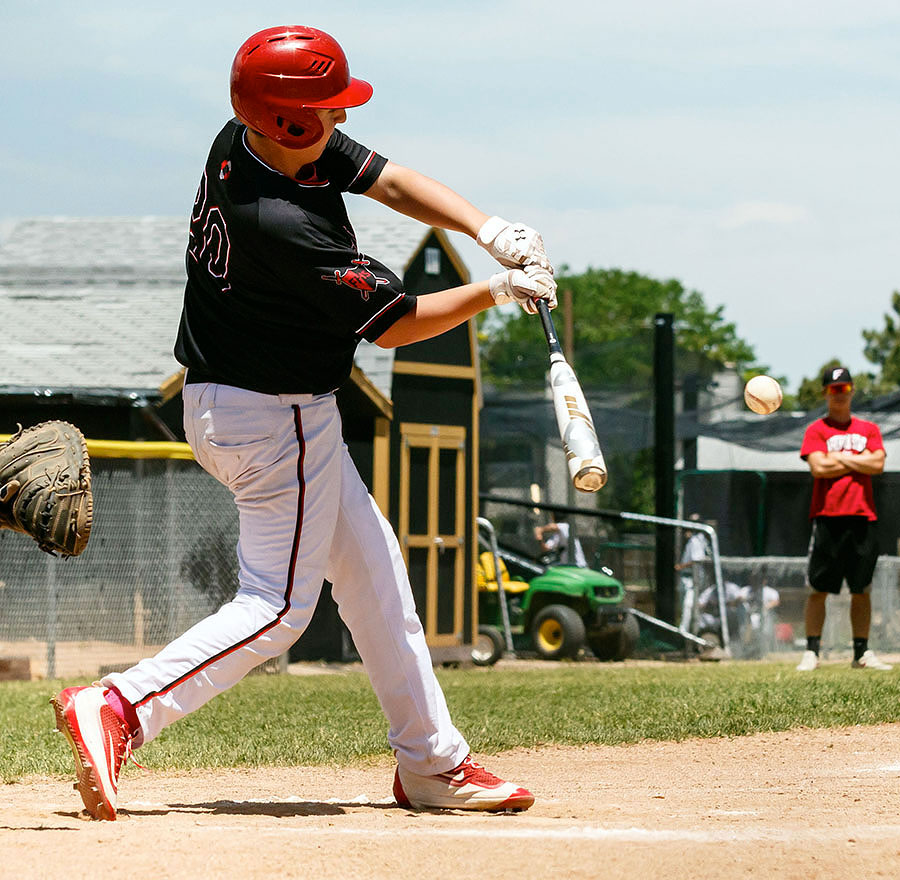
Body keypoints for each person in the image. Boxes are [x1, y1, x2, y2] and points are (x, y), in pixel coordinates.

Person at [51, 25, 558, 821]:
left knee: (374, 572)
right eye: (321, 110)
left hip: (240, 401)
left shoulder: (249, 138)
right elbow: (395, 323)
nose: (333, 121)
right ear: (285, 120)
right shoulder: (282, 222)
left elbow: (387, 180)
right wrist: (496, 292)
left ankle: (432, 763)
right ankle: (119, 707)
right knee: (279, 609)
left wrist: (486, 228)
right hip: (271, 415)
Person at [796, 366, 891, 672]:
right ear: (825, 393)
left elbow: (877, 464)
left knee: (861, 588)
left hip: (862, 516)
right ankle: (812, 651)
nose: (840, 395)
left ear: (852, 391)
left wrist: (837, 458)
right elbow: (818, 469)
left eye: (845, 389)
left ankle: (861, 653)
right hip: (827, 517)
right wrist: (858, 461)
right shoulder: (816, 430)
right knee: (819, 587)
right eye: (834, 389)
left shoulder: (868, 429)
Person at [674, 514, 711, 633]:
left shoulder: (697, 540)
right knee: (687, 606)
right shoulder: (696, 539)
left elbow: (696, 560)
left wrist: (681, 566)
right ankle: (691, 630)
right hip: (688, 578)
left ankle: (684, 631)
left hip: (692, 579)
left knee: (688, 604)